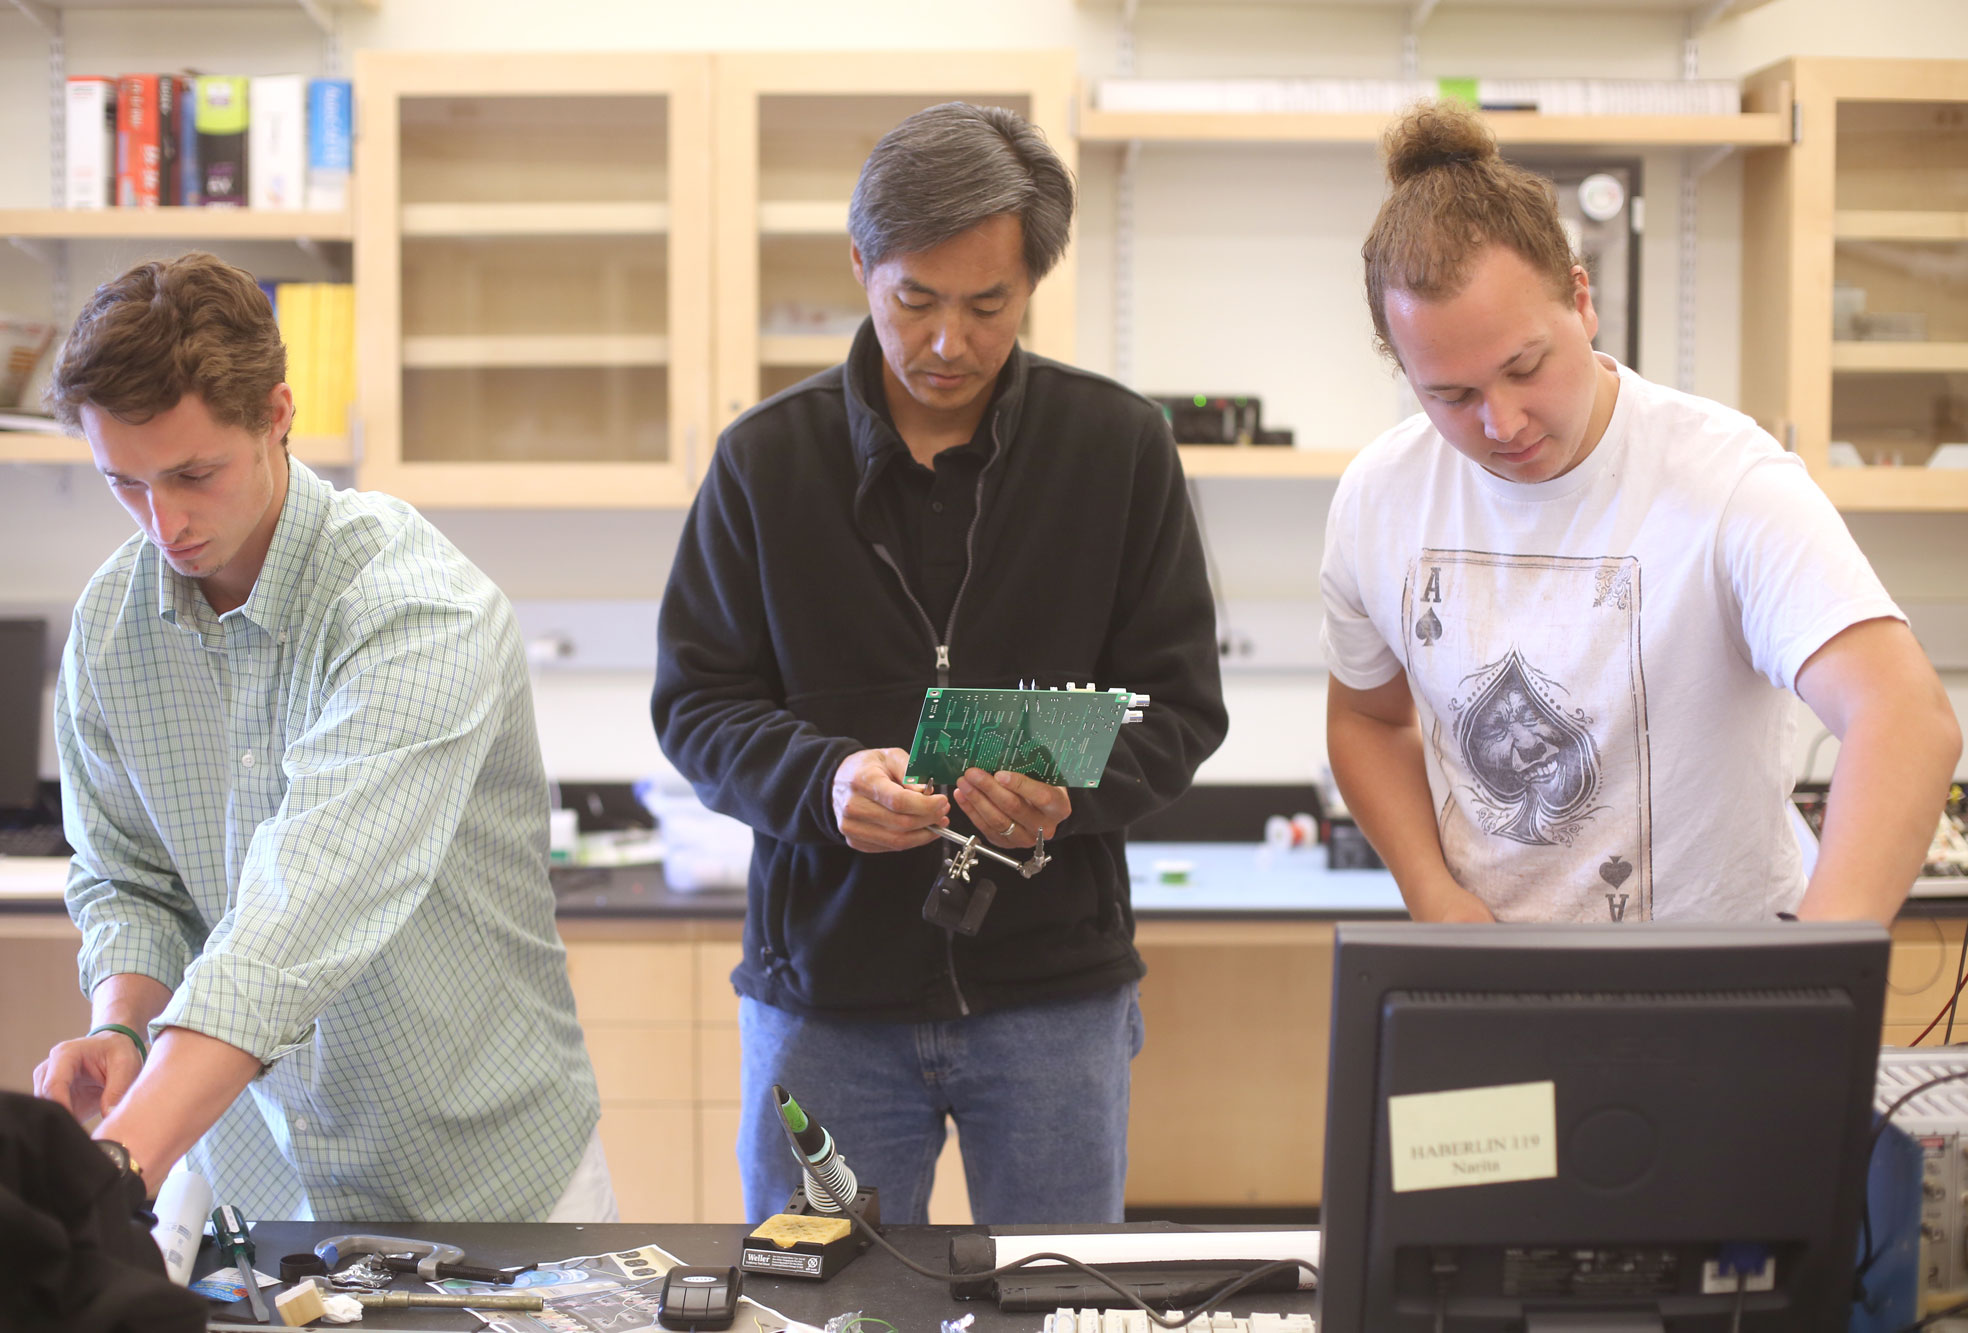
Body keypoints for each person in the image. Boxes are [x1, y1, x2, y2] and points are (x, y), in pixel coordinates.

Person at [652, 103, 1227, 1225]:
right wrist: (819, 782)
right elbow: (698, 705)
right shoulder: (765, 462)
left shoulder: (1114, 448)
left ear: (1030, 285)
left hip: (1053, 995)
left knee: (1059, 1299)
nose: (946, 342)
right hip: (824, 1001)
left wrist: (1067, 792)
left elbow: (1179, 706)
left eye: (987, 304)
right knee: (822, 1305)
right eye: (914, 299)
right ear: (861, 263)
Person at [31, 252, 609, 1222]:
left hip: (484, 1180)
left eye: (193, 474)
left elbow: (301, 913)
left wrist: (118, 1163)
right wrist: (123, 1024)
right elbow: (128, 876)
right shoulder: (110, 626)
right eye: (123, 484)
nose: (163, 522)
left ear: (277, 413)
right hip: (266, 1179)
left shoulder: (412, 607)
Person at [1321, 101, 1961, 926]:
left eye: (1525, 367)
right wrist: (1432, 892)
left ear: (1581, 302)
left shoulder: (1727, 481)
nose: (1502, 422)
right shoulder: (1381, 497)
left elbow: (1905, 717)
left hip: (1716, 988)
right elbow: (1368, 719)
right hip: (1492, 980)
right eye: (1452, 394)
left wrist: (1814, 972)